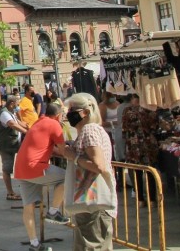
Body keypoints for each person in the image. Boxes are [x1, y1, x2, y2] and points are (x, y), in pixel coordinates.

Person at [60, 93, 117, 251]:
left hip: (93, 201)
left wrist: (74, 157)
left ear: (84, 112)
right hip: (91, 200)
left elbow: (99, 165)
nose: (68, 113)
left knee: (91, 245)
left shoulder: (89, 130)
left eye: (72, 109)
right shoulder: (90, 130)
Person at [14, 103, 70, 251]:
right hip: (35, 167)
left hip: (20, 168)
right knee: (67, 178)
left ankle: (34, 243)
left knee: (28, 207)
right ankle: (53, 211)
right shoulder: (54, 124)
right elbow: (64, 151)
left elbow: (45, 148)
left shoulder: (39, 122)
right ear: (58, 115)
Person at [121, 94, 159, 204]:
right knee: (150, 171)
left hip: (133, 144)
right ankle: (152, 200)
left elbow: (124, 128)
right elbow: (155, 127)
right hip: (148, 144)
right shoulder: (150, 109)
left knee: (136, 172)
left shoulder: (127, 111)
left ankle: (140, 200)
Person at [0, 94, 28, 201]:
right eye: (17, 104)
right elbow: (12, 124)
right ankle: (10, 193)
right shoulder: (4, 113)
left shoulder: (10, 112)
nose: (18, 106)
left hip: (13, 144)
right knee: (7, 168)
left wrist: (29, 127)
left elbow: (18, 122)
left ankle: (17, 189)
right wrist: (27, 132)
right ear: (12, 103)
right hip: (6, 146)